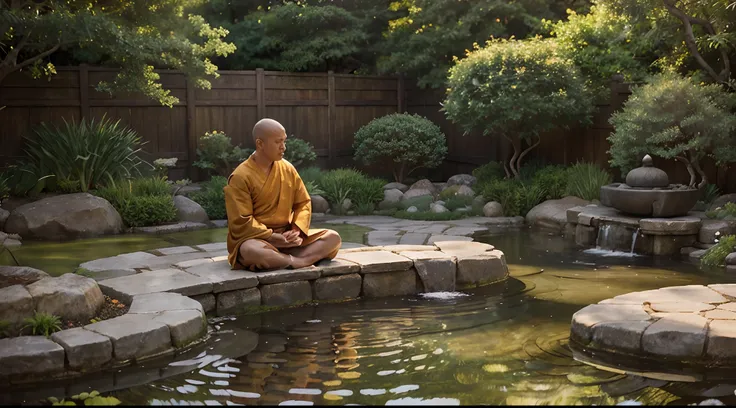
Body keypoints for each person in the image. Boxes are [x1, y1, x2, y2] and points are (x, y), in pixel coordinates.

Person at [225, 118, 342, 271]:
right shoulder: (240, 176)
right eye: (278, 142)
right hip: (258, 239)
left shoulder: (287, 168)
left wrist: (295, 231)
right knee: (251, 251)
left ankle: (285, 260)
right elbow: (242, 221)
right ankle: (298, 260)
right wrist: (271, 237)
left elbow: (303, 203)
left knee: (333, 238)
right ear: (260, 144)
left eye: (284, 141)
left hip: (287, 237)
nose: (283, 147)